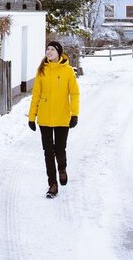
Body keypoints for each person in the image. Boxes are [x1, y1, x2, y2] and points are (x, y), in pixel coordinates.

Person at [27, 41, 79, 198]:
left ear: (59, 52)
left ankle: (62, 168)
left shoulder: (68, 71)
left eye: (52, 49)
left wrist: (74, 114)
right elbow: (36, 94)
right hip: (44, 118)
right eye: (47, 49)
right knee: (48, 152)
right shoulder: (42, 71)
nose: (48, 52)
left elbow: (74, 94)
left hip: (63, 117)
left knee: (60, 149)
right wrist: (32, 116)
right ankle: (52, 184)